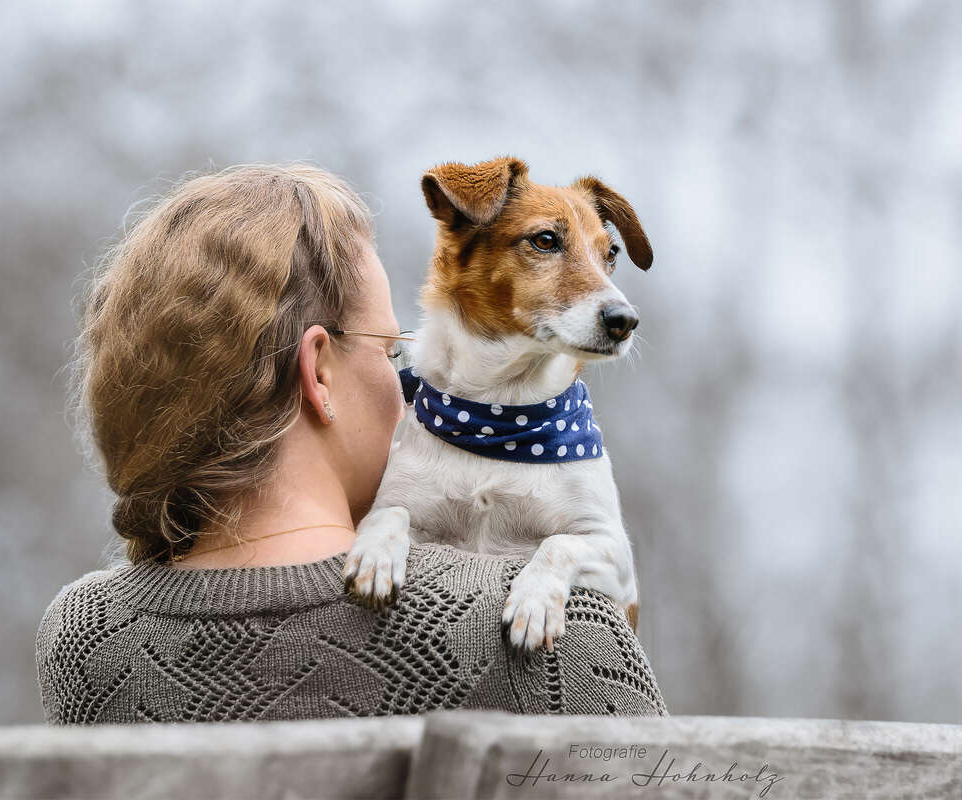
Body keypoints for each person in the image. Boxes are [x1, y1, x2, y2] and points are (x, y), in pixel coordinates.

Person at [35, 163, 667, 723]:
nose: (412, 382)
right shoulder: (565, 640)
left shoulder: (84, 639)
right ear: (319, 372)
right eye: (394, 352)